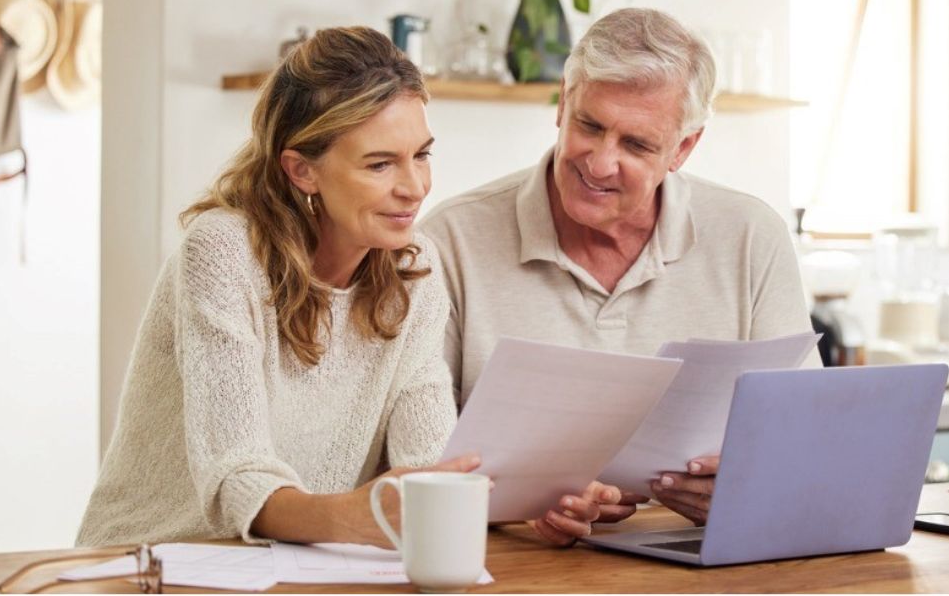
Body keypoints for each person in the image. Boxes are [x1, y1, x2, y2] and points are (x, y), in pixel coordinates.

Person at [77, 27, 608, 548]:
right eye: (380, 164)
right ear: (302, 170)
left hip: (302, 570)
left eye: (421, 155)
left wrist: (521, 506)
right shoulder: (223, 253)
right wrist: (350, 518)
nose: (415, 187)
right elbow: (237, 475)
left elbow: (430, 461)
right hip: (149, 561)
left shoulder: (413, 268)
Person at [420, 8, 819, 529]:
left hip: (697, 556)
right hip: (510, 562)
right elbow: (419, 456)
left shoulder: (751, 236)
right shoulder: (450, 238)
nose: (601, 163)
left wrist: (754, 481)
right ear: (563, 103)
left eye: (636, 144)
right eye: (590, 125)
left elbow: (805, 433)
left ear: (682, 149)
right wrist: (517, 506)